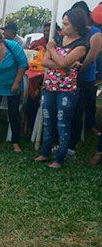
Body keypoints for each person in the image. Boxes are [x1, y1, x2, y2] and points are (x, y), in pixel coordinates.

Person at [35, 9, 88, 169]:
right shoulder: (58, 38)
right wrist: (65, 63)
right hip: (49, 86)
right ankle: (45, 152)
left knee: (62, 123)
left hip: (67, 90)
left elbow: (63, 63)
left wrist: (51, 50)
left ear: (76, 26)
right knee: (48, 120)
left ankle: (59, 158)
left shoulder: (82, 45)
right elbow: (45, 62)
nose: (62, 27)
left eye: (66, 24)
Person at [70, 3, 102, 157]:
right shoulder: (75, 32)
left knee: (80, 109)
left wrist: (78, 69)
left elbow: (92, 56)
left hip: (85, 77)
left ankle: (74, 143)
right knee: (70, 109)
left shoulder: (95, 33)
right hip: (70, 76)